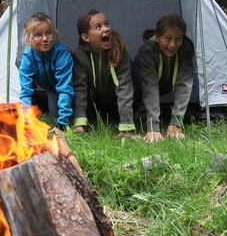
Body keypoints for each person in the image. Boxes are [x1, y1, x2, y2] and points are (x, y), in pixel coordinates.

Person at [71, 10, 138, 137]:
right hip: (95, 102)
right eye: (98, 27)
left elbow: (124, 87)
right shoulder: (79, 56)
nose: (106, 29)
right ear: (86, 37)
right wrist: (79, 123)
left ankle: (136, 111)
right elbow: (80, 89)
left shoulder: (120, 53)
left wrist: (127, 126)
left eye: (106, 24)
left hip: (116, 100)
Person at [133, 14, 195, 142]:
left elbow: (184, 84)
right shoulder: (147, 50)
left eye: (178, 39)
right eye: (167, 38)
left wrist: (176, 122)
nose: (172, 45)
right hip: (139, 86)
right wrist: (153, 127)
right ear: (157, 37)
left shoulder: (185, 50)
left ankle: (146, 110)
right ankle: (139, 107)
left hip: (165, 85)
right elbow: (150, 87)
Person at [19, 12, 74, 132]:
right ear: (29, 39)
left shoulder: (61, 53)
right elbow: (26, 91)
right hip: (51, 90)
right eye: (38, 35)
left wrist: (63, 125)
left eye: (48, 33)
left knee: (68, 117)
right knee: (54, 115)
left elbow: (65, 88)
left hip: (71, 89)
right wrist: (26, 120)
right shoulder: (28, 57)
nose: (45, 39)